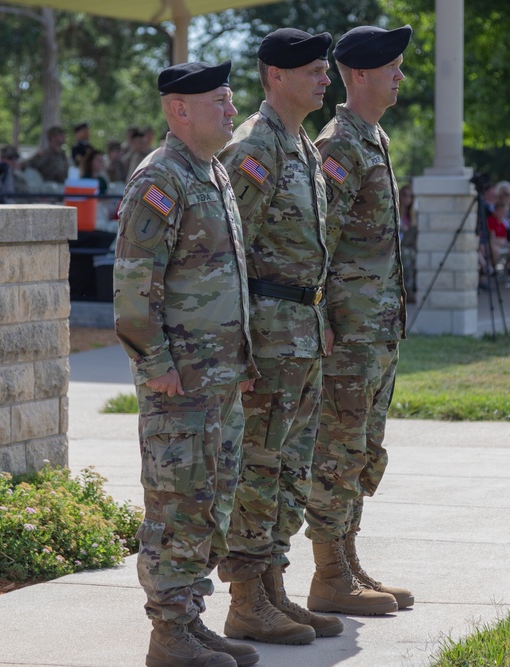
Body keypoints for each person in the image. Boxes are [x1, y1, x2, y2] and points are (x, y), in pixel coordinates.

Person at [112, 60, 260, 667]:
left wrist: (242, 359)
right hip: (181, 385)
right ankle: (168, 636)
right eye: (221, 101)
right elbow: (130, 288)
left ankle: (191, 622)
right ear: (180, 110)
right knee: (177, 504)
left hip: (219, 381)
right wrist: (158, 368)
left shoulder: (214, 172)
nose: (232, 111)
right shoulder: (161, 178)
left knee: (212, 500)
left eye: (231, 101)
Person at [215, 28, 341, 646]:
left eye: (325, 70)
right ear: (275, 77)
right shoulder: (253, 149)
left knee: (292, 468)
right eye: (315, 71)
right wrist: (239, 346)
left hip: (304, 333)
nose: (326, 79)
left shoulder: (303, 147)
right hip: (267, 336)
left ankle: (274, 592)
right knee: (259, 469)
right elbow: (231, 254)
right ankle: (244, 601)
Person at [305, 24, 415, 618]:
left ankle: (347, 561)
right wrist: (321, 315)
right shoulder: (339, 145)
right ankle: (328, 576)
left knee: (365, 448)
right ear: (360, 74)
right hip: (347, 331)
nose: (400, 75)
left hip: (376, 329)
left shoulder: (374, 138)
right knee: (339, 450)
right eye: (392, 66)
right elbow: (319, 237)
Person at [480, 192, 510, 286]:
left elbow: (504, 239)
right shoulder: (491, 220)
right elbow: (492, 238)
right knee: (496, 251)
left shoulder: (502, 223)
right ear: (496, 211)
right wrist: (501, 241)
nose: (505, 214)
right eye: (503, 212)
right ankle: (486, 273)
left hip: (500, 243)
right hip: (491, 244)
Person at [398, 184, 418, 302]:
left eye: (410, 196)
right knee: (406, 254)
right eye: (404, 195)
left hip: (408, 246)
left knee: (414, 255)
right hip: (399, 247)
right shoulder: (396, 212)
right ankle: (408, 290)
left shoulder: (411, 215)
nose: (407, 198)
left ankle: (413, 287)